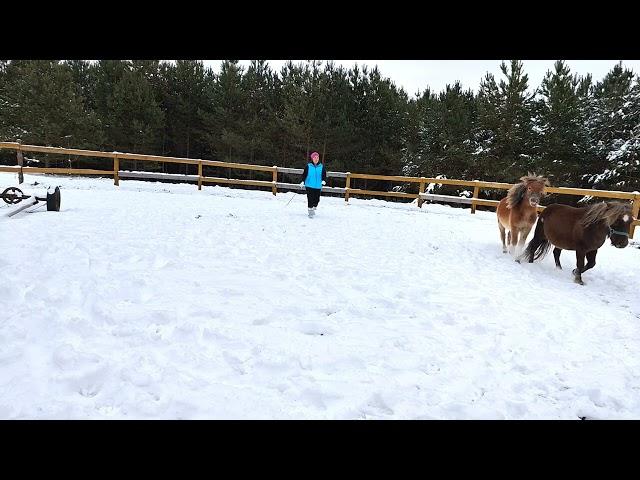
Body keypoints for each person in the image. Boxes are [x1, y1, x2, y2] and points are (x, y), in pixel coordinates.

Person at [300, 151, 326, 217]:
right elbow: (304, 174)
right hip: (309, 185)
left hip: (318, 186)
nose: (316, 159)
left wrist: (323, 180)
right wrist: (303, 181)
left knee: (317, 199)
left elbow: (324, 175)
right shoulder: (308, 166)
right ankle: (310, 211)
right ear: (312, 158)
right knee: (310, 198)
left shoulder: (321, 167)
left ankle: (314, 206)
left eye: (317, 157)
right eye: (315, 157)